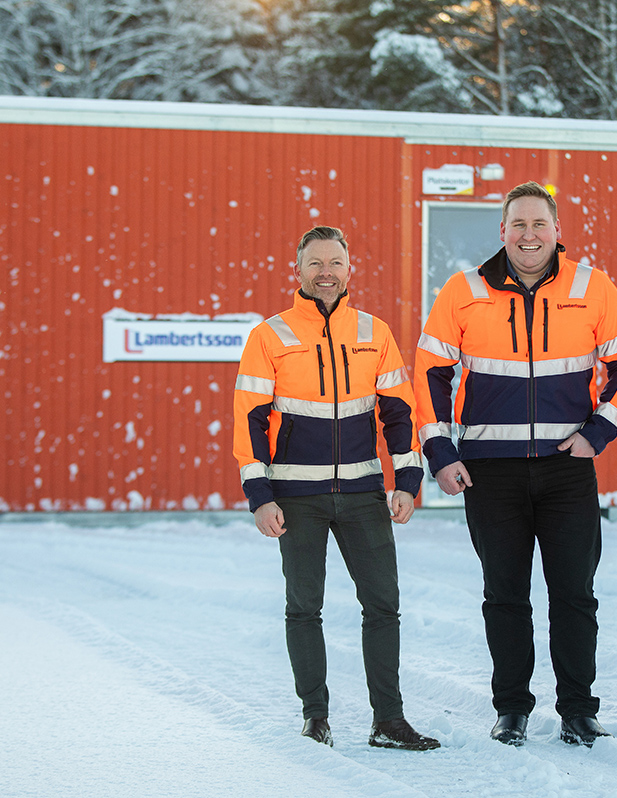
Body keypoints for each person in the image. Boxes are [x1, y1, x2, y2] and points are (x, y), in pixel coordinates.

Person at [414, 181, 617, 747]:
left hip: (567, 468)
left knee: (574, 594)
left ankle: (577, 710)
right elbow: (429, 371)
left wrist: (601, 431)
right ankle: (512, 708)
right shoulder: (463, 292)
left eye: (539, 224)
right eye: (518, 224)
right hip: (490, 471)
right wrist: (440, 451)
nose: (529, 235)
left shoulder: (592, 288)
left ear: (557, 231)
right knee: (505, 595)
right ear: (502, 231)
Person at [233, 226, 439, 751]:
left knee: (383, 605)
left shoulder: (375, 331)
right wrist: (260, 496)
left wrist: (408, 481)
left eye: (335, 262)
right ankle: (315, 716)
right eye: (315, 263)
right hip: (295, 497)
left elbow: (398, 414)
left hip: (363, 495)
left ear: (351, 269)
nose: (326, 272)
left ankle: (388, 722)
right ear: (297, 271)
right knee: (304, 607)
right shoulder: (270, 335)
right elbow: (250, 421)